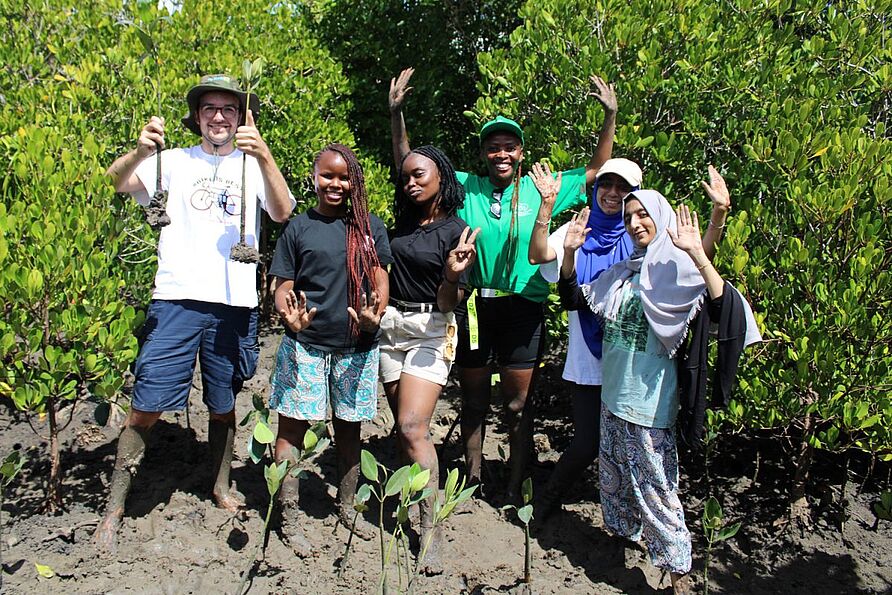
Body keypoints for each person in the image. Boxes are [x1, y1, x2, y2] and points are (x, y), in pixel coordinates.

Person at [388, 67, 616, 501]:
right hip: (473, 307)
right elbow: (411, 164)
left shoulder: (540, 187)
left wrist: (610, 116)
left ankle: (515, 487)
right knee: (473, 402)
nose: (501, 154)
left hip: (523, 309)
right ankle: (472, 481)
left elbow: (597, 169)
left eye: (509, 147)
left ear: (521, 152)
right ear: (484, 154)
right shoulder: (466, 187)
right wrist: (397, 114)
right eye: (493, 148)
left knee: (517, 405)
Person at [95, 74, 295, 552]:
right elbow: (115, 182)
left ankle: (220, 485)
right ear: (197, 117)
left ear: (241, 117)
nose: (219, 117)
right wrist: (140, 151)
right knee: (147, 403)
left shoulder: (253, 165)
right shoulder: (174, 161)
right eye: (210, 109)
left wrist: (264, 153)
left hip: (234, 305)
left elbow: (282, 211)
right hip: (176, 299)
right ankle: (114, 509)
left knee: (223, 402)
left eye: (229, 109)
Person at [558, 183, 758, 594]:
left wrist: (705, 241)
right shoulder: (623, 272)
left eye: (643, 214)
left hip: (649, 408)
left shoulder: (677, 270)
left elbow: (721, 305)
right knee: (613, 483)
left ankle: (679, 577)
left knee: (657, 494)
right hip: (613, 398)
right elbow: (573, 298)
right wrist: (570, 253)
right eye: (628, 217)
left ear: (660, 217)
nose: (634, 223)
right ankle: (621, 549)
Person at [528, 160, 731, 519]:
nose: (612, 194)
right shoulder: (581, 228)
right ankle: (548, 503)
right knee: (589, 442)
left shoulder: (644, 234)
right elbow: (555, 274)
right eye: (605, 184)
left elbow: (689, 268)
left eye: (623, 189)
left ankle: (637, 520)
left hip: (638, 366)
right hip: (591, 354)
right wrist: (551, 214)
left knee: (633, 449)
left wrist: (719, 215)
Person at [267, 143, 391, 556]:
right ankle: (288, 515)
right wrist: (287, 313)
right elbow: (283, 282)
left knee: (350, 429)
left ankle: (347, 505)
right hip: (305, 344)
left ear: (355, 183)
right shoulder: (298, 228)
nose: (335, 184)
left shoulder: (370, 227)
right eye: (328, 176)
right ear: (314, 177)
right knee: (292, 429)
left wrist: (377, 312)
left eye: (344, 177)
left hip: (356, 345)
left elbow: (380, 276)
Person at [380, 145, 479, 573]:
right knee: (404, 433)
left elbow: (447, 304)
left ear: (441, 176)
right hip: (390, 327)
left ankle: (431, 528)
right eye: (405, 177)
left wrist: (452, 275)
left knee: (412, 426)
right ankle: (412, 500)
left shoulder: (458, 232)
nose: (411, 182)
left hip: (431, 328)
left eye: (419, 174)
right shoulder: (403, 224)